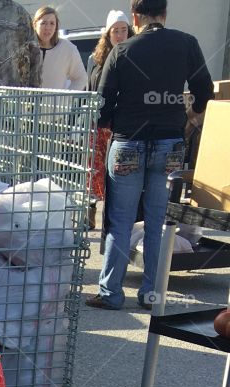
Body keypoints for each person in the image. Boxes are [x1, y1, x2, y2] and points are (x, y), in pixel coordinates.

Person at [88, 0, 213, 310]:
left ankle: (111, 293)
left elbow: (102, 107)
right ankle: (152, 293)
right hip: (170, 143)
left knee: (121, 221)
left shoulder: (122, 50)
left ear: (135, 16)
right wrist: (190, 115)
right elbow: (204, 87)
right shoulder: (187, 43)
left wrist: (115, 124)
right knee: (158, 220)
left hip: (128, 143)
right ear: (165, 14)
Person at [87, 11, 133, 224]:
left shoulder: (133, 55)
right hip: (97, 121)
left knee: (116, 171)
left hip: (120, 124)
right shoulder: (95, 59)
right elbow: (89, 88)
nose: (120, 35)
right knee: (93, 169)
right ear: (108, 33)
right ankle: (90, 208)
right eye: (116, 30)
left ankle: (111, 215)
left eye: (124, 30)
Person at [33, 6, 88, 91]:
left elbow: (81, 78)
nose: (48, 28)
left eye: (52, 23)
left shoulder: (67, 48)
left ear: (56, 27)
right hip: (25, 102)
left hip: (54, 103)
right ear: (35, 24)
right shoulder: (25, 48)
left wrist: (66, 98)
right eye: (43, 23)